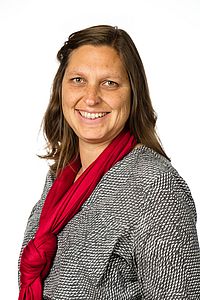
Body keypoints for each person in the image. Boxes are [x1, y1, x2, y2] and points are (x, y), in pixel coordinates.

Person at [18, 25, 200, 300]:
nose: (90, 98)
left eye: (109, 83)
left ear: (132, 94)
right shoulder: (61, 177)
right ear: (61, 90)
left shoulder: (155, 186)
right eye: (78, 80)